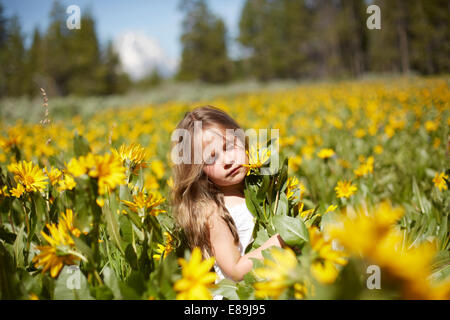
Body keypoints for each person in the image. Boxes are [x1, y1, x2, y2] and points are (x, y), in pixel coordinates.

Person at [170, 105, 285, 297]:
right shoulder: (213, 211)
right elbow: (236, 271)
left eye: (229, 147)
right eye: (211, 157)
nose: (227, 161)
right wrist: (282, 241)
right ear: (199, 171)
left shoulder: (263, 191)